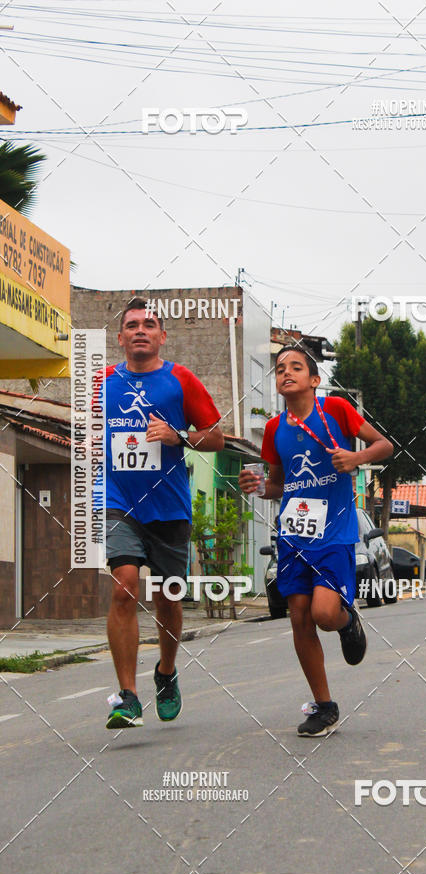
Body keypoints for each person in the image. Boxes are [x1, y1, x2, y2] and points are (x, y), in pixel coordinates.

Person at [239, 346, 392, 737]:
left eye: (296, 367)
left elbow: (385, 445)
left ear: (314, 379)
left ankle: (347, 621)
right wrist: (258, 487)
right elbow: (278, 485)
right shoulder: (274, 429)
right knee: (299, 616)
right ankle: (324, 707)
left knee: (324, 614)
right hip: (294, 533)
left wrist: (355, 459)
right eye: (280, 369)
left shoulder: (336, 410)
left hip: (335, 532)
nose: (286, 373)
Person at [100, 297, 224, 728]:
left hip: (169, 506)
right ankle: (128, 696)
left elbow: (216, 438)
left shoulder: (180, 380)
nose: (140, 330)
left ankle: (166, 672)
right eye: (132, 324)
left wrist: (177, 436)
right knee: (124, 587)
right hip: (119, 502)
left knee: (168, 598)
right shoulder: (102, 382)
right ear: (120, 337)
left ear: (162, 336)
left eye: (149, 324)